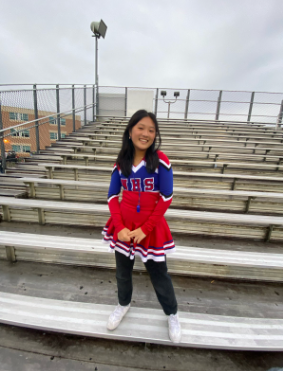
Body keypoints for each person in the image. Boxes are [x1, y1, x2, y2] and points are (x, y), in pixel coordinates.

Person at [102, 109, 182, 343]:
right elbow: (111, 196)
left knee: (159, 275)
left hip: (151, 227)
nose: (146, 133)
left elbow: (166, 197)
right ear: (130, 131)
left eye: (151, 130)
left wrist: (145, 229)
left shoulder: (161, 161)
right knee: (122, 273)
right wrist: (120, 227)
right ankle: (123, 304)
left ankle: (172, 313)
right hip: (123, 227)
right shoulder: (121, 163)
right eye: (141, 128)